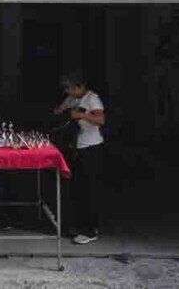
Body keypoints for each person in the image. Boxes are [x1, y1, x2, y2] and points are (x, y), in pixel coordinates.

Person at [54, 71, 105, 245]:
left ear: (80, 87)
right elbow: (58, 112)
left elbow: (100, 119)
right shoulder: (72, 99)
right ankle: (78, 225)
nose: (67, 91)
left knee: (90, 190)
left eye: (69, 88)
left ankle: (91, 230)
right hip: (77, 148)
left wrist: (81, 115)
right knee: (78, 189)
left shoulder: (92, 99)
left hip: (92, 148)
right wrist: (63, 110)